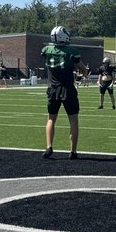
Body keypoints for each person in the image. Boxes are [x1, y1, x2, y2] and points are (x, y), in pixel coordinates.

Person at [39, 26, 88, 159]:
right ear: (63, 36)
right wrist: (84, 74)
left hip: (53, 89)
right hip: (68, 89)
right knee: (73, 121)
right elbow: (83, 69)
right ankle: (73, 151)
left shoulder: (46, 50)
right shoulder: (72, 51)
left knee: (51, 118)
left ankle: (49, 147)